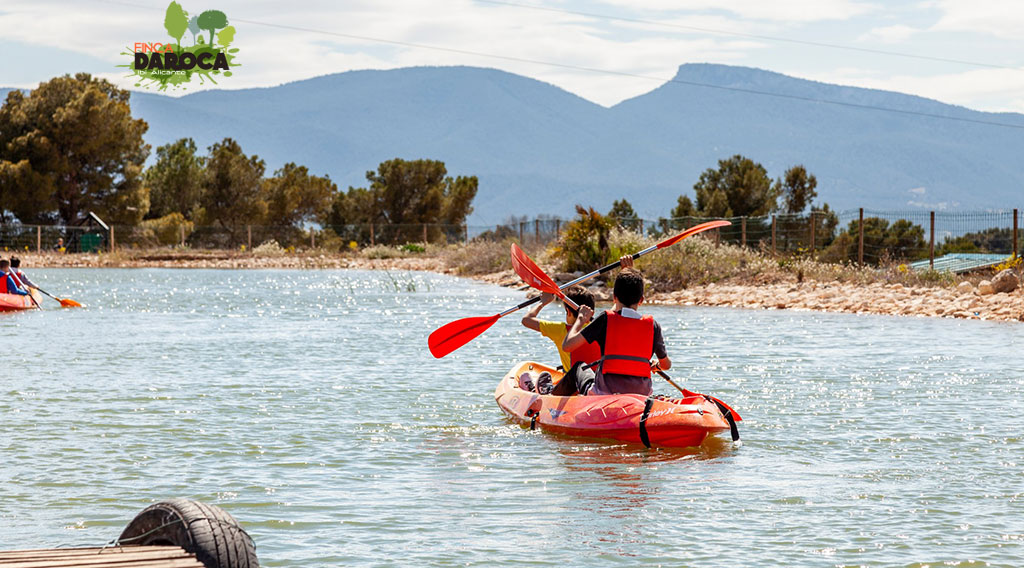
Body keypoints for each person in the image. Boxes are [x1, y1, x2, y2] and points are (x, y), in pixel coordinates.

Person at [562, 256, 671, 396]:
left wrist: (580, 320)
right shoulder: (653, 326)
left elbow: (567, 346)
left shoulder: (605, 319)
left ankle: (553, 402)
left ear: (614, 297)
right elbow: (666, 365)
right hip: (641, 395)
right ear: (641, 300)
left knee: (579, 367)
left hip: (605, 393)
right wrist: (656, 365)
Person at [520, 285, 601, 395]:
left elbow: (526, 320)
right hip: (598, 385)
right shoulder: (602, 327)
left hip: (572, 388)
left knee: (526, 376)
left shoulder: (560, 330)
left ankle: (543, 391)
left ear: (568, 311)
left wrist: (543, 302)